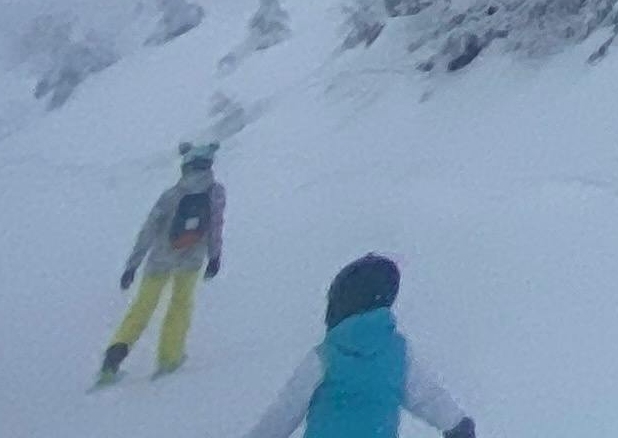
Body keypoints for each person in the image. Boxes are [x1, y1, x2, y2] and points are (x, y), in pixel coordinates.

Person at [231, 254, 478, 438]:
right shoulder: (398, 355)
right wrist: (456, 423)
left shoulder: (324, 357)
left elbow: (286, 410)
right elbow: (427, 395)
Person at [98, 141, 226, 384]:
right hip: (191, 261)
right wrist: (215, 257)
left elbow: (148, 230)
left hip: (160, 260)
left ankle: (112, 359)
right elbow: (216, 227)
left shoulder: (171, 195)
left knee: (142, 308)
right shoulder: (216, 192)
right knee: (180, 306)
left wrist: (132, 265)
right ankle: (169, 358)